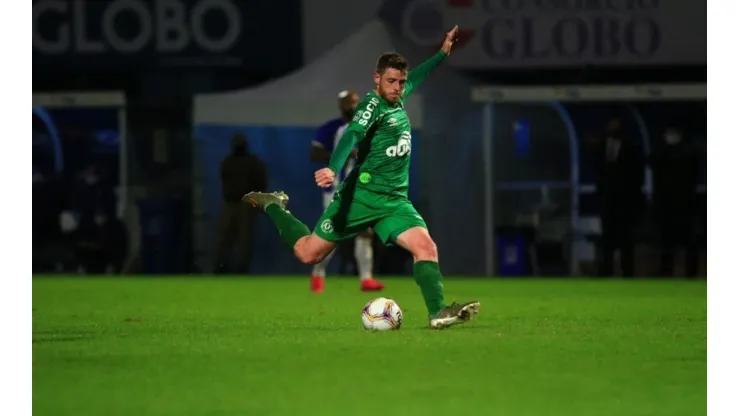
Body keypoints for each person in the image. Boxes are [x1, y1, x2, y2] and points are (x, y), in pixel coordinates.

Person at [244, 26, 480, 329]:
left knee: (426, 248)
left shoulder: (398, 96)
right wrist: (332, 166)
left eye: (401, 82)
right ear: (377, 79)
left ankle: (437, 312)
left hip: (394, 201)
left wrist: (442, 54)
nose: (398, 87)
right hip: (359, 198)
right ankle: (273, 205)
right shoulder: (371, 106)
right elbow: (352, 135)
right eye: (391, 81)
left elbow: (418, 76)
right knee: (308, 253)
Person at [309, 90, 383, 293]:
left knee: (364, 232)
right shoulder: (332, 128)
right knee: (332, 236)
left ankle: (366, 279)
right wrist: (343, 153)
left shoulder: (367, 127)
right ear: (342, 105)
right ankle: (317, 274)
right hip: (335, 191)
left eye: (357, 102)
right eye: (350, 103)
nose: (355, 106)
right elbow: (314, 153)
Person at [594, 118, 646, 277]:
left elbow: (638, 176)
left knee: (626, 239)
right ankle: (605, 272)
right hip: (607, 202)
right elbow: (598, 174)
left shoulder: (632, 148)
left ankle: (627, 272)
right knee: (607, 238)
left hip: (626, 203)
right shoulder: (600, 148)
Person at [649, 125, 699, 277]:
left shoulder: (689, 152)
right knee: (666, 242)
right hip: (665, 205)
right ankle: (666, 271)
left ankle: (691, 273)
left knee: (690, 241)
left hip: (686, 204)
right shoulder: (660, 152)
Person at [215, 134, 267, 274]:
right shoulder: (234, 162)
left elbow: (261, 183)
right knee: (227, 239)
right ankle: (222, 266)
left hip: (244, 205)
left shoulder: (245, 162)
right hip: (232, 204)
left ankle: (239, 268)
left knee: (243, 240)